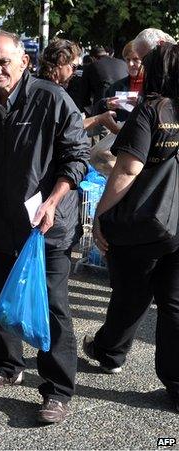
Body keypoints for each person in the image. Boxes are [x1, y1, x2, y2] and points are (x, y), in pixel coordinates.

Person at [0, 30, 89, 424]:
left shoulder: (51, 99)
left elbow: (77, 158)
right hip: (1, 224)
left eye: (3, 63)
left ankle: (58, 390)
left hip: (47, 227)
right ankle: (7, 365)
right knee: (1, 303)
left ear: (24, 62)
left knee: (52, 307)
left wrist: (52, 200)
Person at [87, 44, 179, 412]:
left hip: (145, 221)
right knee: (173, 303)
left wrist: (101, 216)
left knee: (130, 292)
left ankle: (109, 351)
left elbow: (127, 170)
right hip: (177, 220)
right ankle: (176, 384)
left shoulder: (151, 110)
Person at [39, 38, 120, 134]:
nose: (74, 72)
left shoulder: (32, 86)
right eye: (74, 67)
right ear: (61, 61)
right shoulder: (56, 94)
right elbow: (69, 128)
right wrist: (99, 119)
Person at [95, 40, 145, 122]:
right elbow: (99, 110)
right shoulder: (117, 86)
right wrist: (106, 104)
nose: (130, 64)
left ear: (145, 60)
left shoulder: (155, 85)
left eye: (136, 59)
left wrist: (141, 102)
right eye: (128, 60)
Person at [76, 45, 128, 113]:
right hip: (125, 106)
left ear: (92, 58)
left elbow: (83, 97)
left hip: (104, 109)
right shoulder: (123, 63)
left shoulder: (91, 66)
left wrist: (90, 114)